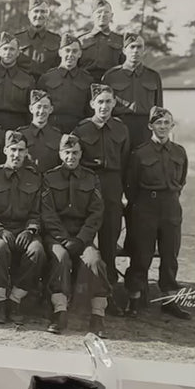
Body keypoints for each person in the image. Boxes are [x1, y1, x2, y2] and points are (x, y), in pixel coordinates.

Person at [125, 107, 190, 319]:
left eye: (166, 123)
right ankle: (134, 300)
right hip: (146, 207)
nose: (162, 127)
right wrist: (144, 204)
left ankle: (169, 301)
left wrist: (169, 197)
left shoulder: (179, 152)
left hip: (171, 207)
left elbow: (181, 181)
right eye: (158, 123)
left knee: (170, 255)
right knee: (141, 255)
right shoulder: (140, 153)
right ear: (150, 126)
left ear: (172, 126)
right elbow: (131, 186)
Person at [40, 133, 107, 334]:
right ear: (60, 154)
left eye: (75, 153)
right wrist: (63, 239)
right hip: (57, 236)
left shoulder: (91, 178)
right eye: (67, 152)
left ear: (81, 154)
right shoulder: (49, 178)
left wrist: (81, 239)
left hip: (82, 236)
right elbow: (48, 213)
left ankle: (97, 315)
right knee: (60, 258)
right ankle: (59, 311)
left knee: (94, 260)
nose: (71, 157)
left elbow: (96, 213)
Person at [0, 130, 46, 325]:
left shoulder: (35, 177)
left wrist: (30, 230)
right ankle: (0, 301)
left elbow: (38, 211)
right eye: (12, 150)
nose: (16, 154)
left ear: (26, 152)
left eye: (20, 150)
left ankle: (16, 299)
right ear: (5, 150)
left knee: (37, 251)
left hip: (24, 229)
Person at [71, 83, 130, 290]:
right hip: (88, 183)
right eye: (100, 102)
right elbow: (74, 159)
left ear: (114, 103)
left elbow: (125, 161)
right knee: (83, 232)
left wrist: (122, 190)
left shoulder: (121, 129)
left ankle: (108, 287)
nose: (104, 106)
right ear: (92, 104)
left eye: (108, 102)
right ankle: (80, 284)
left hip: (112, 184)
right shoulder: (81, 129)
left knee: (110, 235)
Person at [102, 32, 164, 151]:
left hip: (145, 128)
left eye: (139, 47)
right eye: (132, 47)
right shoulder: (111, 76)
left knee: (144, 159)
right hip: (119, 125)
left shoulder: (153, 76)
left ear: (144, 51)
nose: (135, 51)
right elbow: (103, 105)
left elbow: (159, 107)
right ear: (124, 50)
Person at [36, 33, 95, 133]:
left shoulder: (87, 79)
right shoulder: (47, 78)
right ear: (60, 52)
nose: (70, 55)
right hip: (51, 128)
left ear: (80, 54)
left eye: (74, 51)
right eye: (67, 50)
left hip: (78, 128)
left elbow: (90, 110)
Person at [0, 32, 35, 131]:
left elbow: (31, 111)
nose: (8, 52)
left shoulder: (27, 79)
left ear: (18, 53)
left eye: (12, 49)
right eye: (5, 48)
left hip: (18, 126)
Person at [78, 0, 125, 81]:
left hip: (111, 83)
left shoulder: (120, 41)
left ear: (111, 16)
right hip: (84, 84)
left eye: (106, 12)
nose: (103, 15)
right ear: (92, 15)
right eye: (99, 12)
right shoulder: (81, 40)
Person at [15, 0, 61, 78]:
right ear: (29, 14)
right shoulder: (17, 39)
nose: (39, 15)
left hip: (48, 84)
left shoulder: (56, 40)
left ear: (47, 15)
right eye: (36, 11)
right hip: (22, 83)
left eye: (43, 11)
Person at [17, 89, 63, 172]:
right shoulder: (21, 134)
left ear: (51, 109)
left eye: (45, 107)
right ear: (31, 109)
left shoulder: (57, 136)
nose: (41, 111)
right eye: (38, 107)